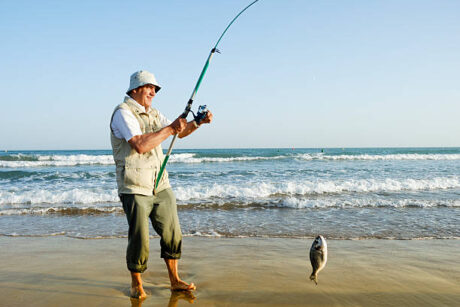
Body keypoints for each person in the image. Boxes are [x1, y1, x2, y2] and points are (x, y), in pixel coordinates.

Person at [110, 70, 212, 299]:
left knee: (173, 233)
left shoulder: (154, 113)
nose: (153, 92)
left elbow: (180, 132)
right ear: (135, 89)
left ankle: (175, 281)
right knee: (140, 237)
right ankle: (136, 282)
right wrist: (170, 128)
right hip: (134, 185)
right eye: (149, 87)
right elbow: (139, 144)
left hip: (160, 183)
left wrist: (197, 121)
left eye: (155, 89)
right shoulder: (123, 113)